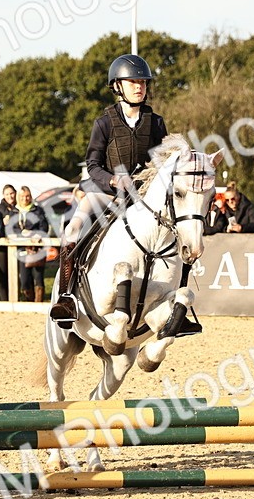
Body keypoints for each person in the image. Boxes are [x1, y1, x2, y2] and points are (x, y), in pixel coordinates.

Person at [50, 53, 169, 326]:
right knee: (72, 229)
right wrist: (113, 181)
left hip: (141, 198)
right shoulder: (104, 122)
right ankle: (66, 297)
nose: (139, 87)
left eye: (143, 82)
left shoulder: (156, 122)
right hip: (105, 193)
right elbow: (92, 165)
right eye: (133, 82)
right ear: (118, 86)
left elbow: (162, 159)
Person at [6, 186, 50, 302]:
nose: (24, 198)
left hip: (37, 249)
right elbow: (11, 228)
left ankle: (39, 302)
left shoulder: (37, 210)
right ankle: (28, 301)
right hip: (21, 248)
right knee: (25, 278)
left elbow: (44, 226)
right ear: (18, 197)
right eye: (22, 196)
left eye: (27, 196)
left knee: (38, 277)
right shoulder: (14, 211)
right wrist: (22, 233)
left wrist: (35, 234)